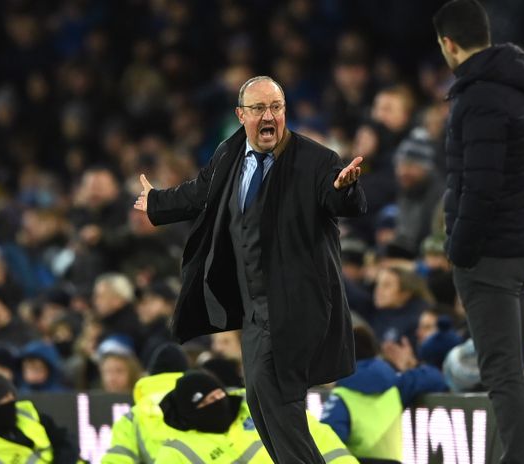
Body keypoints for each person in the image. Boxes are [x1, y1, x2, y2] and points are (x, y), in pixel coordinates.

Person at [133, 75, 366, 462]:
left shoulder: (316, 160)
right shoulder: (230, 153)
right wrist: (156, 202)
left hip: (297, 306)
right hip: (255, 309)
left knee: (279, 405)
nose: (268, 116)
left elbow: (337, 194)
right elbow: (201, 191)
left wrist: (346, 189)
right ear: (241, 115)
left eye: (276, 107)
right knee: (261, 405)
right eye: (258, 109)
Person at [434, 1, 524, 462]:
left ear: (448, 43)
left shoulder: (480, 96)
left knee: (503, 376)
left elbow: (480, 186)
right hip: (520, 243)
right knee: (518, 374)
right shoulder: (518, 86)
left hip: (492, 254)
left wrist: (459, 251)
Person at [154, 370, 357, 464]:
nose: (216, 403)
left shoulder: (263, 408)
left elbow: (324, 442)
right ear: (190, 414)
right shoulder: (176, 452)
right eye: (206, 402)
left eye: (218, 395)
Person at [321, 325, 447, 463]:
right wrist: (411, 364)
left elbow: (326, 447)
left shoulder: (340, 397)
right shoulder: (395, 385)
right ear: (375, 353)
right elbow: (436, 378)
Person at [0, 371, 80, 463]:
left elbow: (66, 440)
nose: (12, 400)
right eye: (4, 397)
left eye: (11, 394)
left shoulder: (26, 414)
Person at [102, 343, 188, 464]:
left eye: (119, 371)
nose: (111, 378)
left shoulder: (132, 418)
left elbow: (117, 460)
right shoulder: (205, 405)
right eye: (107, 371)